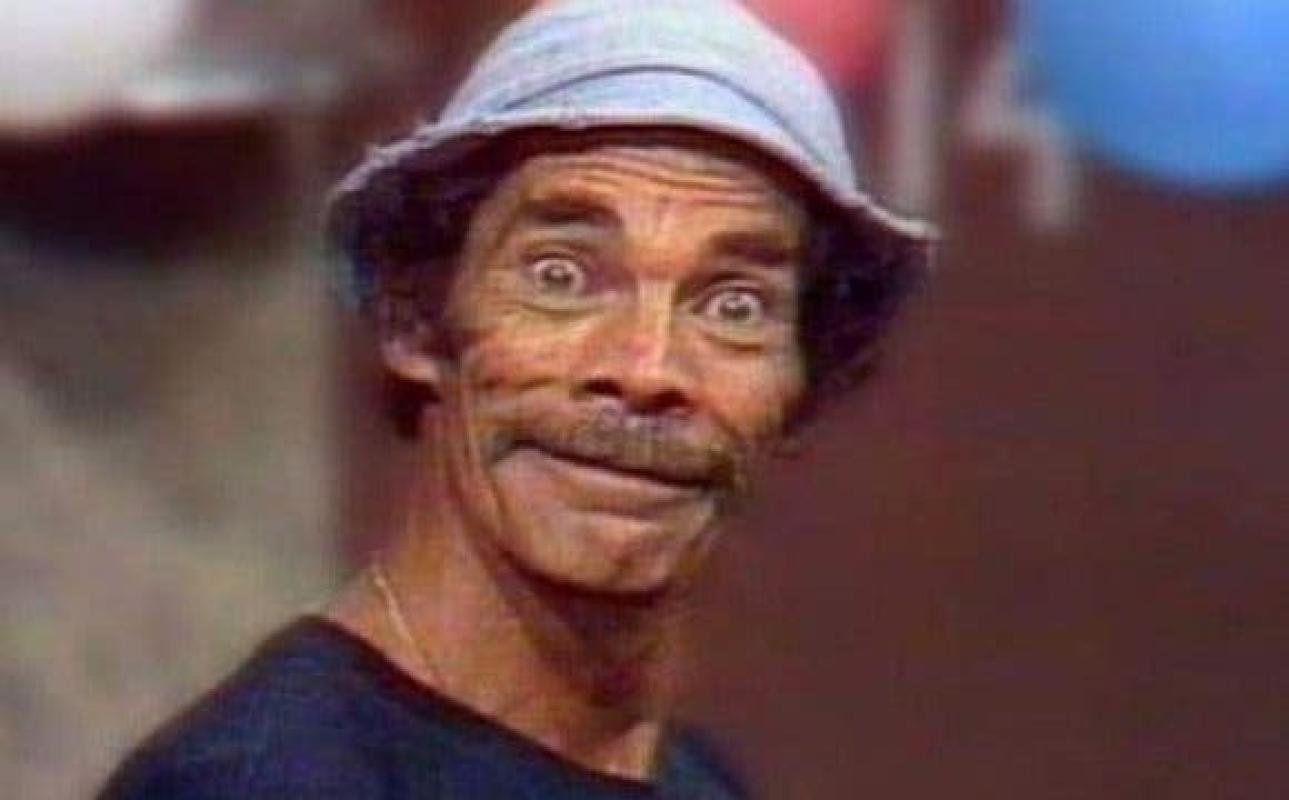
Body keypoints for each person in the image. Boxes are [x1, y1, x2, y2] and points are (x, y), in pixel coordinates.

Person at [101, 0, 934, 796]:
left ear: (803, 383)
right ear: (415, 320)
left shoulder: (694, 780)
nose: (646, 368)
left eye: (734, 306)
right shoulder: (263, 782)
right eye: (560, 276)